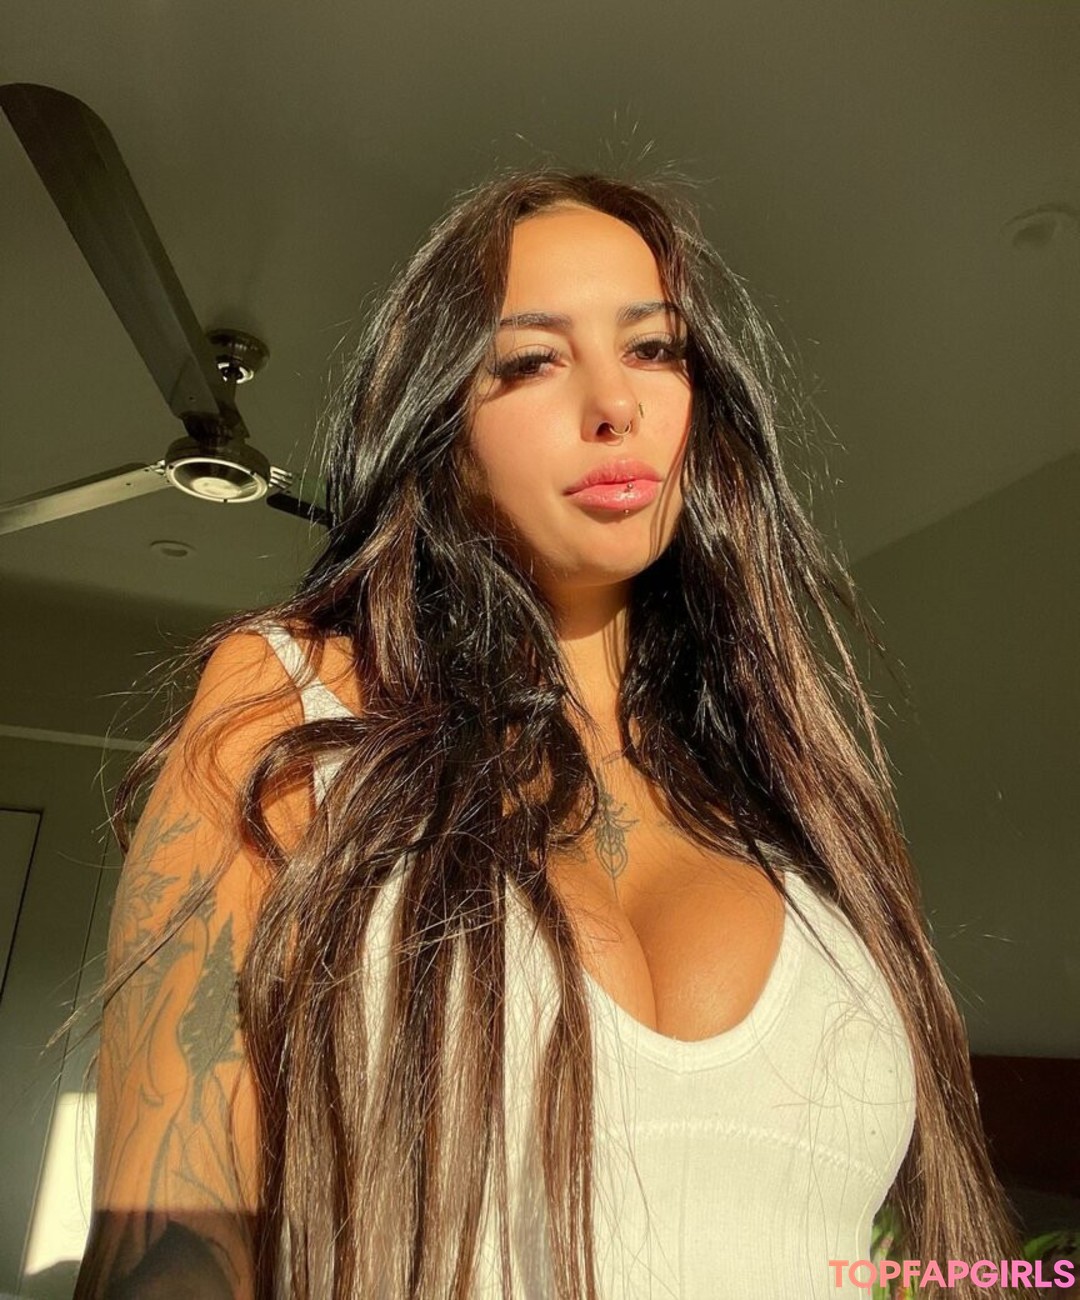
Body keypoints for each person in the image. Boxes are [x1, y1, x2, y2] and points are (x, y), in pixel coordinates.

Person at [72, 170, 1022, 1300]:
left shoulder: (802, 785)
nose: (615, 402)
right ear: (439, 426)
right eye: (530, 360)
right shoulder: (294, 702)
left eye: (654, 349)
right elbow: (166, 1258)